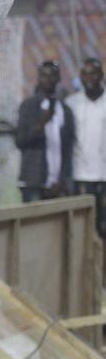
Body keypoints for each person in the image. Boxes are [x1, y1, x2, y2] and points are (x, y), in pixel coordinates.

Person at [17, 61, 75, 202]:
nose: (48, 80)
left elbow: (68, 148)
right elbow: (20, 141)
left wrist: (63, 180)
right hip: (33, 182)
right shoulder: (28, 106)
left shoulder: (65, 110)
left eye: (52, 76)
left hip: (58, 185)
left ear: (58, 79)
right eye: (44, 76)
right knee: (31, 224)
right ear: (39, 78)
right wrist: (41, 124)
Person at [67, 58, 106, 237]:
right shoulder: (71, 103)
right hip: (80, 174)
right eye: (86, 74)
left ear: (101, 75)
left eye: (94, 73)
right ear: (81, 77)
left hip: (104, 174)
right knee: (83, 227)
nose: (90, 78)